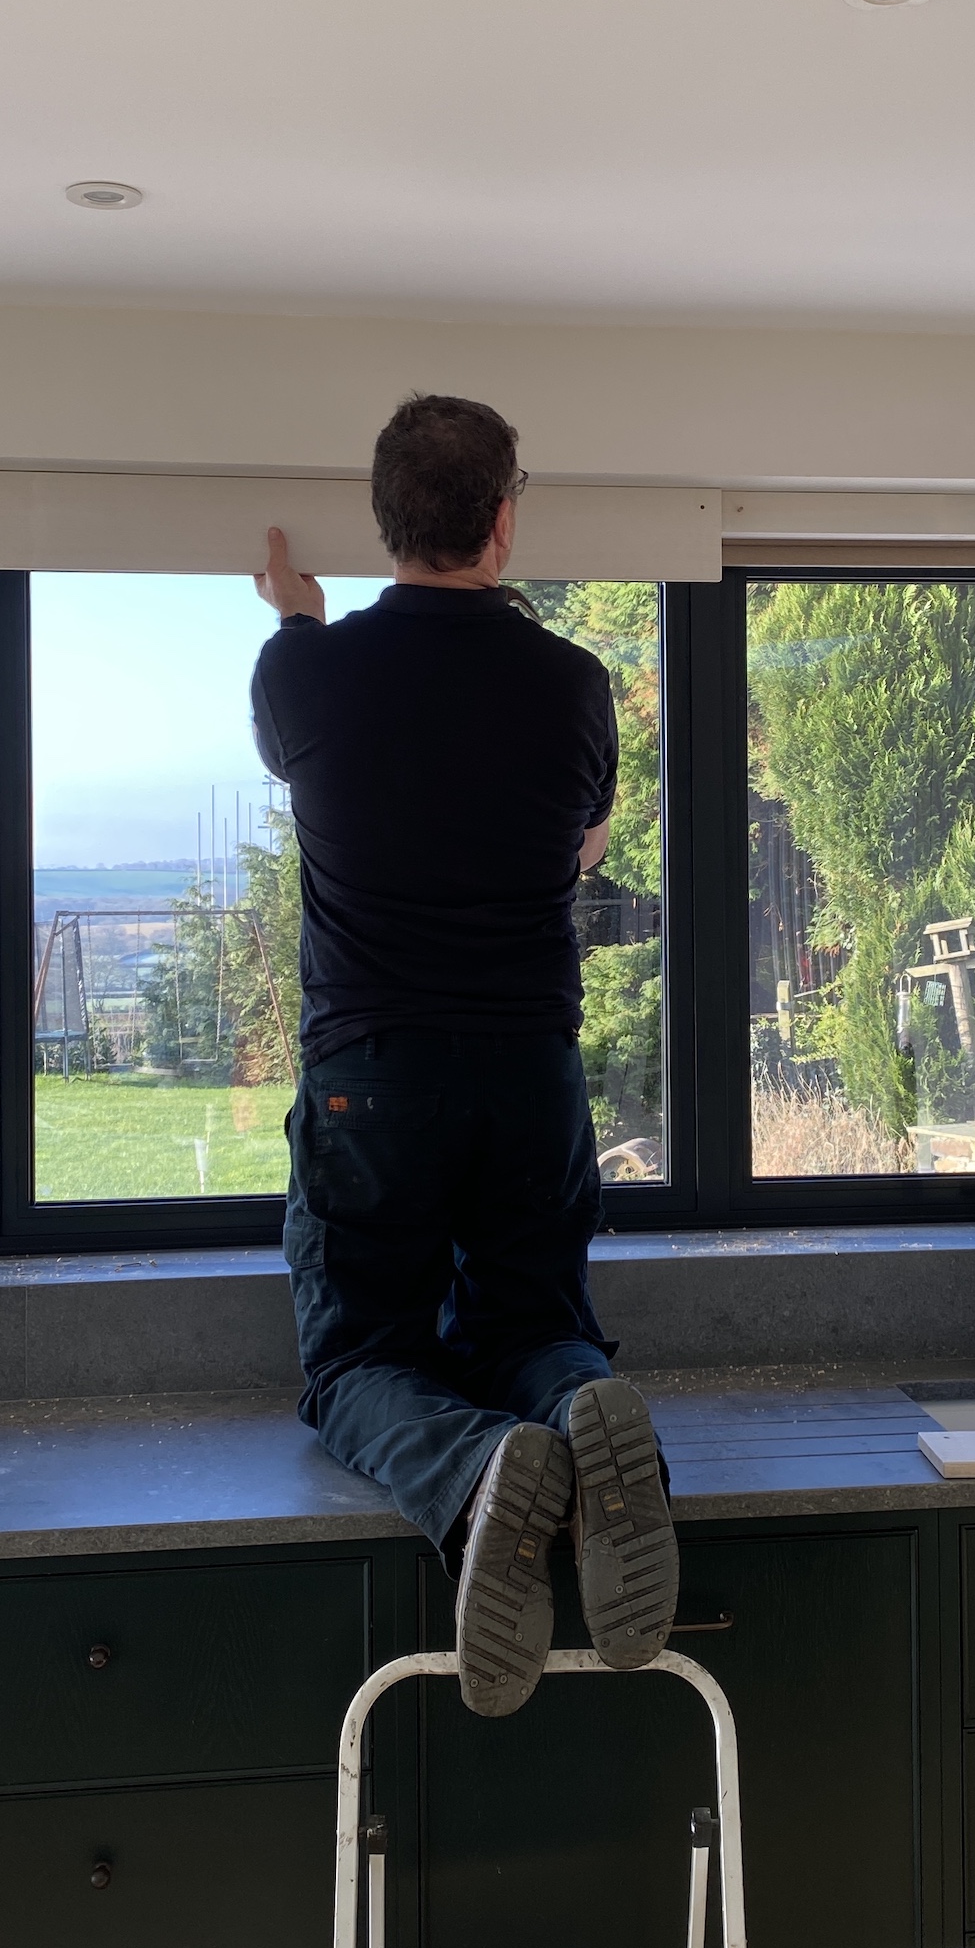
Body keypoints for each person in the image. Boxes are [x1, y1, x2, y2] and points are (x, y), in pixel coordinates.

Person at [250, 393, 678, 1715]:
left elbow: (311, 724)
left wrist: (295, 612)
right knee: (532, 1321)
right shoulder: (571, 684)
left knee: (362, 1353)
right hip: (527, 1064)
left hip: (370, 1068)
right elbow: (583, 841)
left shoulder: (306, 677)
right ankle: (572, 1405)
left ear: (389, 524)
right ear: (503, 524)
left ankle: (480, 1474)